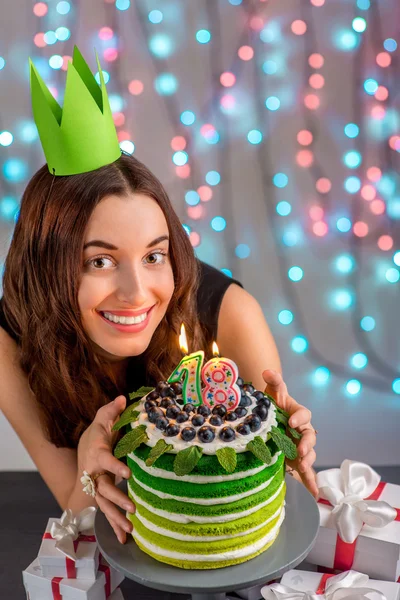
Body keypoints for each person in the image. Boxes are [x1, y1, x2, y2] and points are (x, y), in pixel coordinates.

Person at [0, 48, 317, 547]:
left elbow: (275, 495)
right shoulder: (11, 339)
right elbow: (74, 505)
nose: (136, 294)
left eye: (154, 256)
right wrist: (88, 463)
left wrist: (286, 449)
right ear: (47, 268)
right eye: (99, 261)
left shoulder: (230, 314)